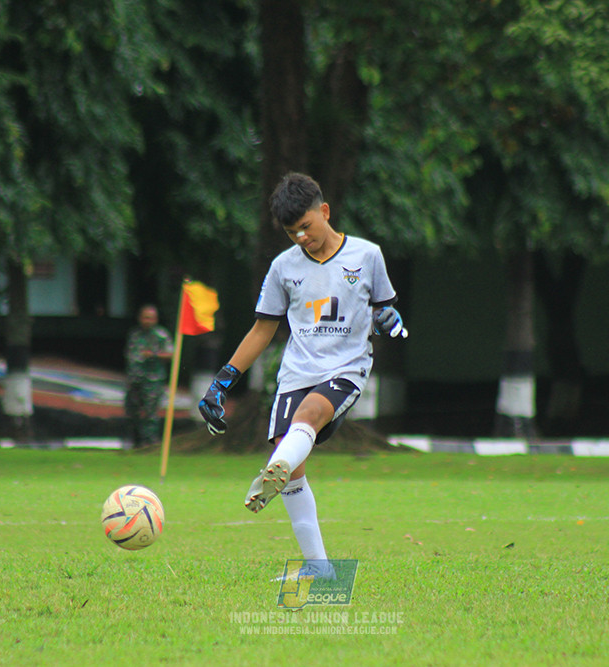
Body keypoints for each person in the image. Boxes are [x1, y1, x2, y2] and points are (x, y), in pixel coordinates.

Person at [197, 172, 406, 577]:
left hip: (347, 368)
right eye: (292, 232)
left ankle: (268, 477)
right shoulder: (282, 268)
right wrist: (222, 381)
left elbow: (385, 312)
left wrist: (388, 318)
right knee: (290, 459)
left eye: (306, 227)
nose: (301, 238)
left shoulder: (367, 256)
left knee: (307, 416)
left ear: (324, 212)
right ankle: (319, 567)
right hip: (296, 372)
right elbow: (263, 328)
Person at [124, 304, 174, 448]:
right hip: (135, 379)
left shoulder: (161, 335)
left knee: (151, 413)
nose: (147, 321)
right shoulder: (135, 334)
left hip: (153, 380)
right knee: (132, 411)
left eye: (150, 318)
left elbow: (171, 354)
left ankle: (151, 443)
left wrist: (153, 355)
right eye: (145, 317)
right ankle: (136, 442)